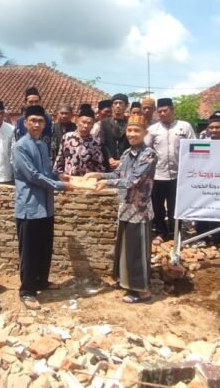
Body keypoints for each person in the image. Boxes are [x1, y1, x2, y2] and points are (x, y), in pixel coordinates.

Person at [87, 115, 158, 304]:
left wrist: (106, 183)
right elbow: (119, 174)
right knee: (126, 249)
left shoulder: (148, 154)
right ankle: (127, 283)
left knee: (137, 252)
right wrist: (98, 174)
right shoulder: (127, 153)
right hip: (125, 207)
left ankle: (142, 291)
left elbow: (133, 180)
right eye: (130, 130)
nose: (132, 134)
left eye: (137, 130)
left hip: (139, 210)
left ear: (145, 132)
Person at [12, 105, 75, 310]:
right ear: (25, 122)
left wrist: (58, 176)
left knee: (44, 247)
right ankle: (27, 290)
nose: (37, 124)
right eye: (33, 121)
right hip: (30, 206)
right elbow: (32, 176)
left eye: (41, 121)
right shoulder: (20, 146)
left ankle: (41, 281)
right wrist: (60, 186)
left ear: (45, 124)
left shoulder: (42, 145)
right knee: (29, 250)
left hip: (46, 206)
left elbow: (46, 171)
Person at [144, 97, 196, 243]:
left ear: (172, 110)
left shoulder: (184, 127)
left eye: (165, 111)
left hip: (178, 175)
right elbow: (146, 150)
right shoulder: (153, 129)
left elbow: (194, 147)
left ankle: (176, 234)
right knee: (158, 207)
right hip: (157, 174)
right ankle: (161, 233)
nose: (162, 114)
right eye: (159, 111)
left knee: (175, 207)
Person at [54, 104, 104, 176]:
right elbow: (60, 158)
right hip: (68, 179)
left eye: (89, 123)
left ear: (93, 125)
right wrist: (58, 175)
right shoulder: (67, 137)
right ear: (77, 122)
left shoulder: (96, 141)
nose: (86, 126)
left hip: (87, 180)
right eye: (83, 122)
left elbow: (99, 165)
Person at [100, 93, 131, 171]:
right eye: (115, 103)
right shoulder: (104, 123)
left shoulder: (130, 123)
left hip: (127, 164)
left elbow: (133, 145)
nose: (118, 106)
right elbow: (103, 143)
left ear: (126, 106)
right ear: (112, 106)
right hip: (109, 165)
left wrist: (122, 161)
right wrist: (110, 158)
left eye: (121, 103)